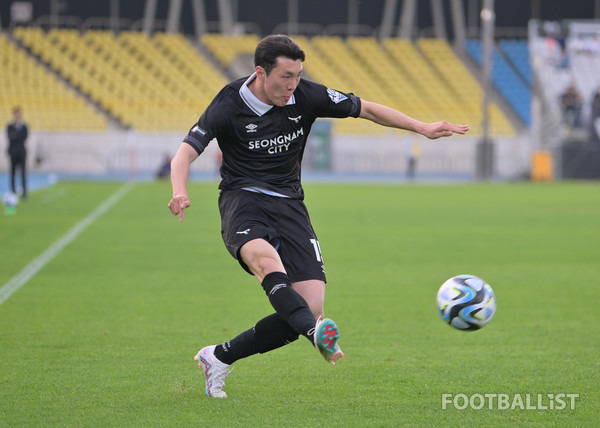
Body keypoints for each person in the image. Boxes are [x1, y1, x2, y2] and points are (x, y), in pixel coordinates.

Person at [168, 35, 468, 398]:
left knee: (308, 307)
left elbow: (367, 109)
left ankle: (218, 357)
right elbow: (185, 152)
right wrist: (179, 190)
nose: (292, 85)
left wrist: (422, 127)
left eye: (297, 75)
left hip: (291, 204)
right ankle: (316, 335)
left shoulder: (306, 95)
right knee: (267, 262)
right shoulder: (229, 104)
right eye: (285, 76)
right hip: (242, 200)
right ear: (260, 72)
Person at [6, 107, 29, 199]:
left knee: (23, 172)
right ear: (14, 115)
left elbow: (24, 137)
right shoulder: (10, 126)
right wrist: (16, 136)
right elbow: (10, 137)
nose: (17, 115)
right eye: (16, 114)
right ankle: (13, 191)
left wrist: (15, 135)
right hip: (13, 151)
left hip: (22, 151)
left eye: (18, 114)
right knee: (12, 172)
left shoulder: (24, 126)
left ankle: (24, 193)